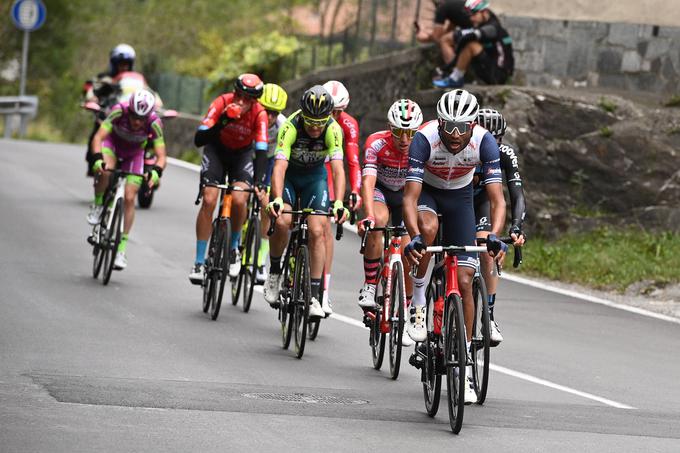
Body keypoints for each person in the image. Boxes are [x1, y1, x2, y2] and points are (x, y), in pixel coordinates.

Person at [402, 89, 507, 404]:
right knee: (429, 229)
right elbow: (409, 197)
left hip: (461, 199)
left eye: (463, 126)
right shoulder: (424, 139)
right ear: (440, 122)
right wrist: (415, 236)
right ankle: (418, 301)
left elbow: (496, 199)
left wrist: (494, 235)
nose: (456, 134)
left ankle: (464, 363)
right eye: (449, 125)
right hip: (429, 195)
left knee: (463, 280)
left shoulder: (484, 142)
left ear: (473, 123)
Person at [263, 85, 349, 319]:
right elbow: (279, 167)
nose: (314, 127)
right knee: (282, 222)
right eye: (310, 121)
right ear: (302, 115)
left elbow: (339, 170)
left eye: (319, 122)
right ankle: (274, 272)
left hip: (314, 179)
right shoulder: (290, 126)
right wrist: (277, 198)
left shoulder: (333, 130)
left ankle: (313, 294)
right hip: (290, 177)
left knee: (317, 230)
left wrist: (339, 202)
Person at [188, 74, 268, 285]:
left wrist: (259, 181)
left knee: (240, 199)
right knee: (209, 198)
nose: (241, 101)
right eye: (238, 95)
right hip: (216, 151)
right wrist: (224, 120)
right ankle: (198, 261)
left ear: (255, 101)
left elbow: (261, 150)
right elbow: (199, 139)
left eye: (247, 98)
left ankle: (233, 247)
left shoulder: (259, 114)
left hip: (241, 155)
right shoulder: (222, 102)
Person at [357, 99, 423, 347]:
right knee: (379, 221)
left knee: (408, 249)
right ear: (389, 128)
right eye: (398, 132)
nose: (404, 139)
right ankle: (370, 285)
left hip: (406, 195)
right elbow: (368, 182)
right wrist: (368, 214)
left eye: (410, 133)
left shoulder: (422, 145)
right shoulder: (376, 143)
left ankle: (406, 308)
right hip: (382, 192)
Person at [87, 89, 166, 270]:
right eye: (134, 116)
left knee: (130, 197)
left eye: (142, 118)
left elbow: (162, 156)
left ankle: (121, 249)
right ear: (129, 110)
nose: (137, 122)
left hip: (134, 154)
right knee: (106, 171)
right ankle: (98, 205)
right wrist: (98, 159)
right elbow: (98, 137)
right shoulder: (118, 110)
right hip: (112, 146)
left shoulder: (154, 123)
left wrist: (155, 173)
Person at [475, 108, 526, 345]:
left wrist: (516, 226)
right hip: (457, 200)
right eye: (487, 138)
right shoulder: (464, 149)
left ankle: (489, 316)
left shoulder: (505, 153)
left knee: (488, 251)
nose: (492, 145)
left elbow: (516, 194)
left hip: (484, 203)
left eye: (497, 140)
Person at [320, 80, 362, 316]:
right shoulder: (313, 116)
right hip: (314, 168)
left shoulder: (348, 125)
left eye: (339, 112)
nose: (334, 116)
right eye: (331, 111)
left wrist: (354, 191)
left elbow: (353, 163)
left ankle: (324, 291)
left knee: (325, 228)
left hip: (331, 172)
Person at [433, 0, 514, 89]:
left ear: (485, 12)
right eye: (469, 16)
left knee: (471, 45)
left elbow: (470, 36)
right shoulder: (482, 24)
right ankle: (456, 75)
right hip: (490, 70)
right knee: (466, 43)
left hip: (498, 75)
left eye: (474, 15)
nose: (471, 18)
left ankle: (455, 78)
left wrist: (447, 66)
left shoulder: (492, 27)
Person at [255, 83, 289, 284]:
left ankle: (259, 261)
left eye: (274, 113)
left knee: (267, 205)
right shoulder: (252, 119)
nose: (269, 118)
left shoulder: (283, 125)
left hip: (269, 161)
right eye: (265, 111)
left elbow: (282, 159)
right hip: (249, 157)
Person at [415, 0, 472, 67]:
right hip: (481, 29)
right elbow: (449, 31)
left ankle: (455, 72)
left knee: (444, 41)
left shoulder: (442, 7)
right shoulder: (456, 5)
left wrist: (424, 37)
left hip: (475, 31)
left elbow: (437, 37)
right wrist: (430, 33)